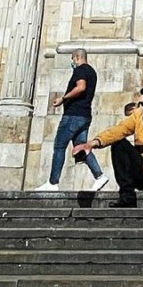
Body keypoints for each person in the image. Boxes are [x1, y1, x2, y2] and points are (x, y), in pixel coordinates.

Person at [74, 83, 143, 208]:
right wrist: (92, 144)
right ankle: (127, 197)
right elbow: (119, 130)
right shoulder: (139, 114)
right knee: (118, 143)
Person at [35, 49, 108, 193]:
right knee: (81, 147)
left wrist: (64, 98)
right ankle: (99, 176)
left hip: (73, 115)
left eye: (73, 59)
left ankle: (53, 182)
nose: (72, 62)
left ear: (77, 57)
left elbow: (81, 87)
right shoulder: (92, 72)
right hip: (85, 115)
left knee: (59, 146)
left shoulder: (80, 70)